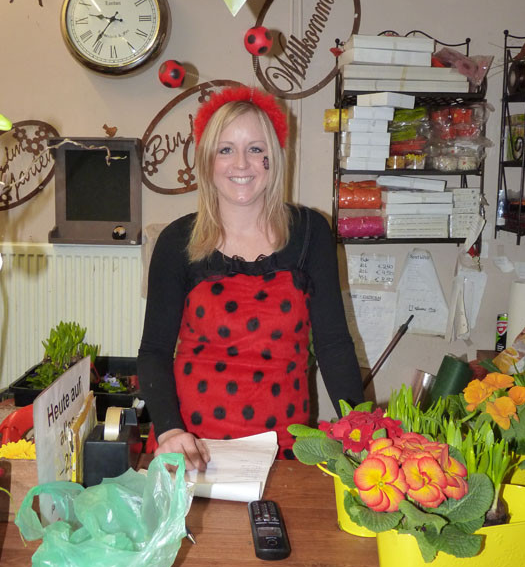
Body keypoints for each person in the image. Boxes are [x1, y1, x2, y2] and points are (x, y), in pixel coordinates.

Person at [137, 85, 363, 471]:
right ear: (207, 160)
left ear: (272, 158)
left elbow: (334, 346)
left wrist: (361, 430)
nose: (241, 163)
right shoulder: (176, 241)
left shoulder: (310, 232)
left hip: (284, 452)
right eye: (226, 149)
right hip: (195, 450)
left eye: (255, 149)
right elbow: (154, 352)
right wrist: (170, 431)